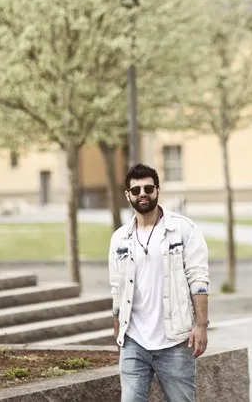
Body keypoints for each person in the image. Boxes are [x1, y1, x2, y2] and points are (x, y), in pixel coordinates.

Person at [108, 163, 210, 402]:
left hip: (174, 340)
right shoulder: (120, 238)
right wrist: (118, 334)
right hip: (133, 340)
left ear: (157, 190)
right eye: (136, 190)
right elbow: (117, 289)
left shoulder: (183, 229)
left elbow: (199, 280)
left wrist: (202, 325)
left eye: (148, 188)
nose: (142, 194)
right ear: (128, 195)